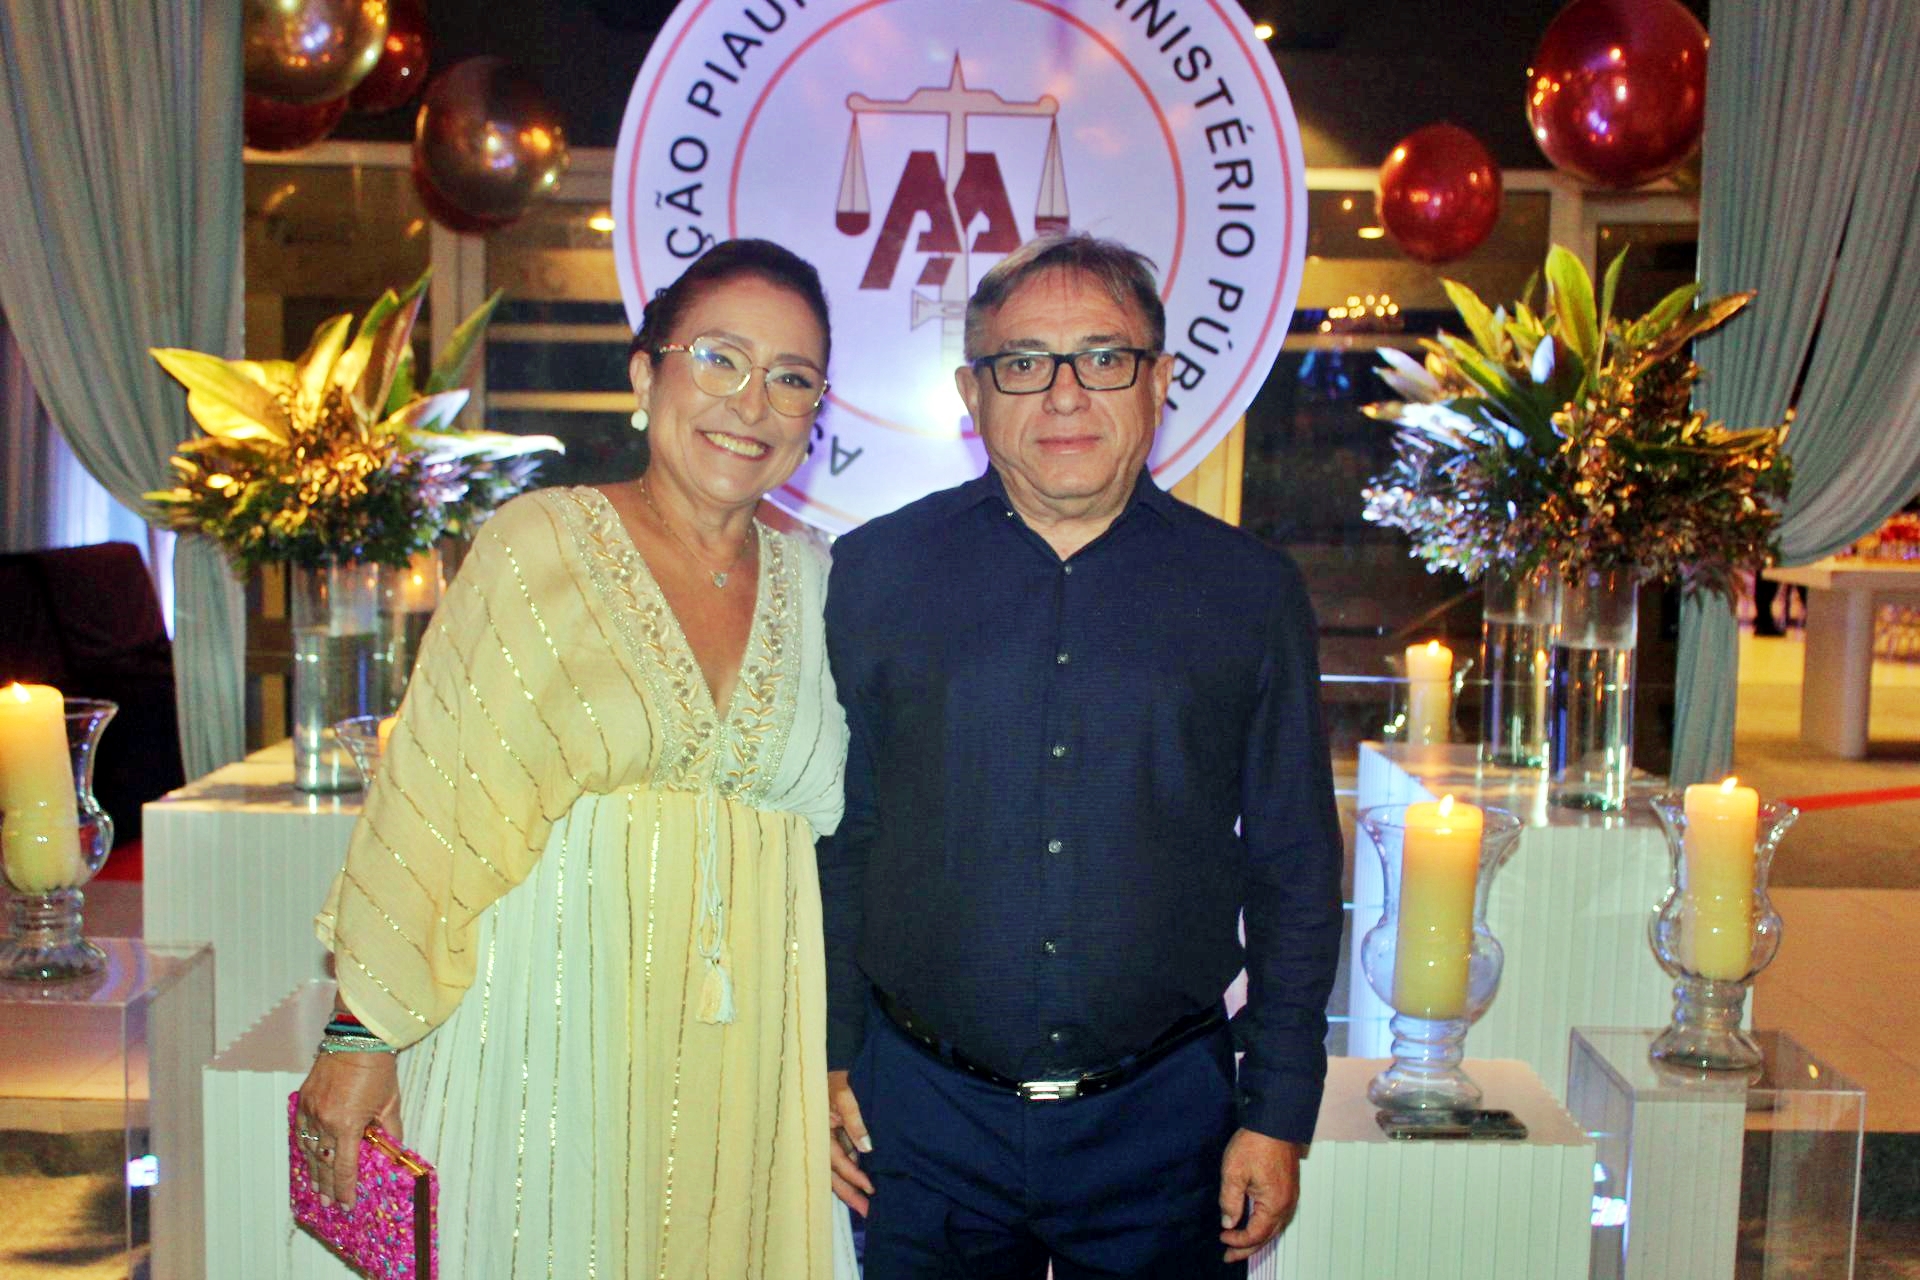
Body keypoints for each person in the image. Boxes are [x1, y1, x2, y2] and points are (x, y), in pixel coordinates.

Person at [294, 239, 851, 1278]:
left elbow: (853, 855)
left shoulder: (822, 586)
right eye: (720, 359)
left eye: (791, 377)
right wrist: (361, 1037)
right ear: (646, 374)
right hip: (546, 1040)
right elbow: (431, 810)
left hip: (748, 1067)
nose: (752, 402)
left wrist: (835, 1059)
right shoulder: (537, 544)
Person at [818, 233, 1346, 1278]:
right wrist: (826, 1054)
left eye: (1103, 357)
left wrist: (1278, 1108)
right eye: (1024, 362)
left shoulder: (1249, 591)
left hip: (1167, 1126)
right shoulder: (873, 574)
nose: (1065, 394)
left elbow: (1295, 864)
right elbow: (840, 839)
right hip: (921, 1122)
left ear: (1159, 381)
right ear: (973, 393)